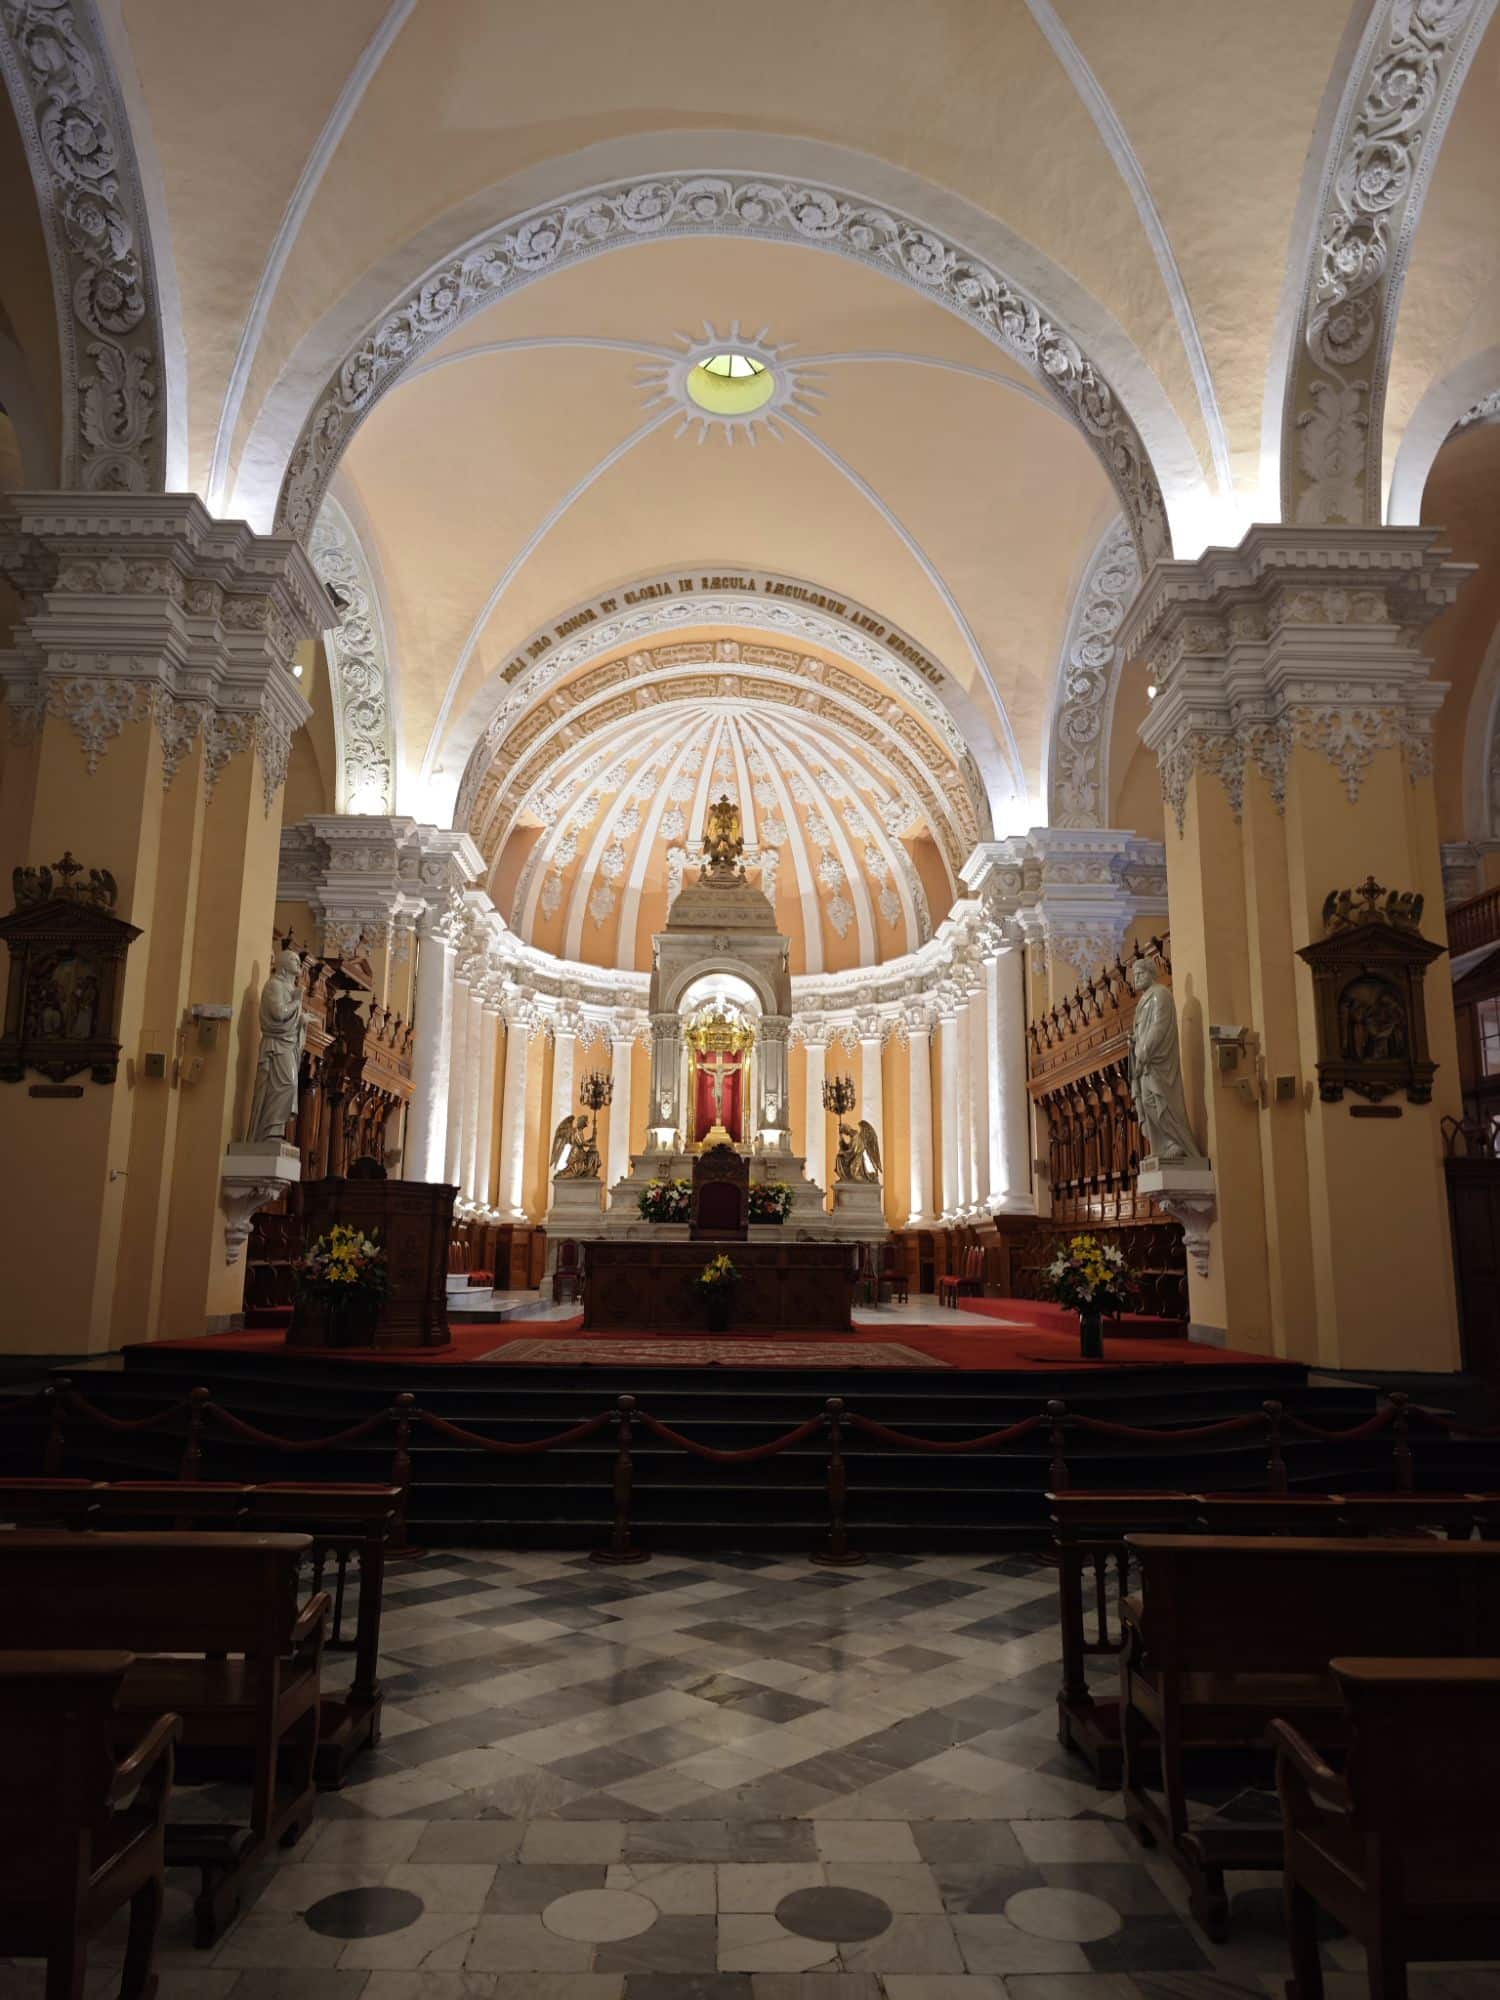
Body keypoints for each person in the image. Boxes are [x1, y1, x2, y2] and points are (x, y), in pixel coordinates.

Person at [1126, 959, 1202, 1164]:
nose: (1137, 978)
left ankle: (1175, 1142)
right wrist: (1135, 1041)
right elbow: (1144, 1030)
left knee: (1162, 1101)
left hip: (1158, 1063)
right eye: (1135, 975)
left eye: (1140, 973)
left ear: (1152, 973)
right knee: (1149, 1102)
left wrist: (1143, 1051)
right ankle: (1161, 1145)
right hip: (1147, 1063)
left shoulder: (1160, 995)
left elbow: (1158, 1028)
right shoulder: (1144, 1000)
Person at [245, 950, 307, 1144]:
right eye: (294, 959)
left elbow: (290, 1018)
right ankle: (267, 1133)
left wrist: (303, 1019)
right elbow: (279, 1014)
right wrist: (297, 1002)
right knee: (284, 1085)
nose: (298, 963)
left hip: (287, 1044)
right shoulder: (274, 985)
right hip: (276, 1044)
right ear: (282, 964)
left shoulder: (290, 988)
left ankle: (275, 1132)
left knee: (287, 1086)